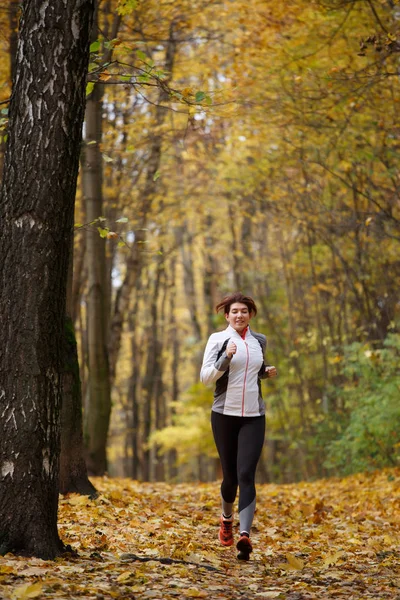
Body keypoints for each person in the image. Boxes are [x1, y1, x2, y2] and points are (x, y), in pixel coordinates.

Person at [200, 292, 277, 560]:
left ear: (251, 314)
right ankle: (226, 520)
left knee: (246, 474)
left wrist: (266, 373)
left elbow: (255, 371)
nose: (239, 315)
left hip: (254, 416)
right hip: (224, 415)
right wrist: (225, 358)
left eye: (244, 311)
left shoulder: (259, 340)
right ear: (227, 315)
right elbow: (206, 377)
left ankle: (244, 536)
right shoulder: (218, 340)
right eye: (234, 311)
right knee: (230, 477)